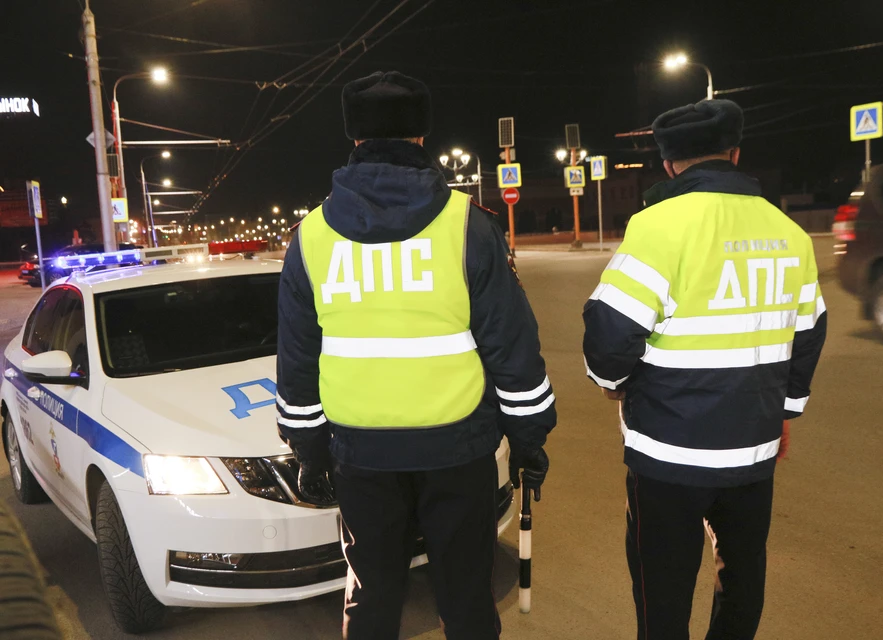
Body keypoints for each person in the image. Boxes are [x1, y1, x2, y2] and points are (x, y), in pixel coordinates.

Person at [275, 71, 555, 639]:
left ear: (355, 138)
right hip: (458, 449)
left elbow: (298, 361)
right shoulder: (468, 226)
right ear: (422, 138)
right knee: (466, 596)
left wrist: (309, 451)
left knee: (372, 596)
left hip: (360, 454)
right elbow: (512, 348)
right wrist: (529, 439)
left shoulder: (311, 238)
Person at [582, 99, 827, 640]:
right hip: (753, 450)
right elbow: (809, 334)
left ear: (668, 163)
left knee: (662, 590)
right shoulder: (789, 232)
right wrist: (784, 410)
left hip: (667, 453)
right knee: (742, 575)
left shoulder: (659, 226)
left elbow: (610, 331)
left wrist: (612, 383)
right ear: (735, 153)